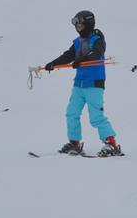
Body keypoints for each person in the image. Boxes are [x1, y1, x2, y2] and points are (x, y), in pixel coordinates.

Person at [43, 10, 121, 157]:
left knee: (96, 116)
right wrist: (54, 63)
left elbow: (96, 54)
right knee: (71, 113)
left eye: (80, 25)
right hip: (79, 83)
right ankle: (74, 143)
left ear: (88, 24)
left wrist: (82, 60)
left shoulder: (97, 39)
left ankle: (111, 143)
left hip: (94, 83)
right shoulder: (77, 42)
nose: (78, 28)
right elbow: (68, 55)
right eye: (76, 25)